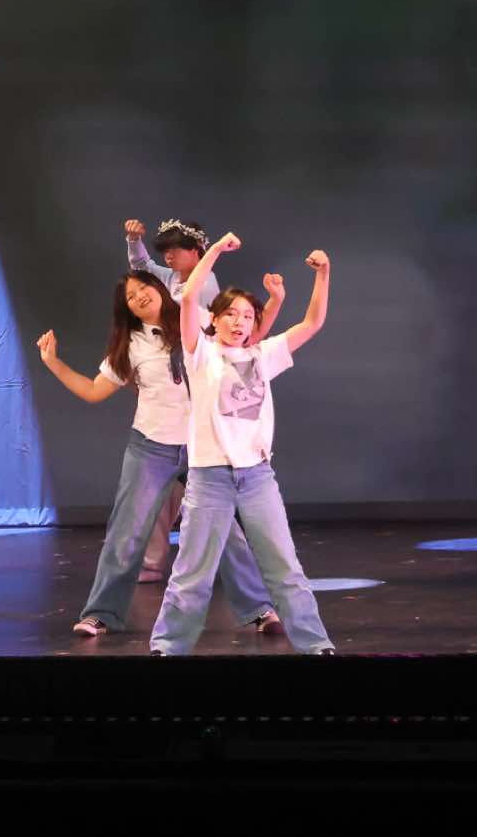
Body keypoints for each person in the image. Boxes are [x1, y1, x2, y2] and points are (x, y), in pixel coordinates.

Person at [35, 270, 284, 638]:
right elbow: (93, 391)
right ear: (127, 309)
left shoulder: (198, 319)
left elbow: (248, 336)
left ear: (158, 288)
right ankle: (101, 613)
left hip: (203, 447)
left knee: (226, 532)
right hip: (151, 447)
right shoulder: (130, 345)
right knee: (127, 533)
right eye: (131, 296)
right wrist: (53, 362)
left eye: (144, 287)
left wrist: (275, 300)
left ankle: (259, 608)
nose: (139, 296)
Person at [148, 233, 336, 657]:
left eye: (248, 316)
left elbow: (312, 323)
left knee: (285, 569)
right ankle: (168, 646)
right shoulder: (200, 354)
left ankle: (316, 644)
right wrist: (214, 250)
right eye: (230, 314)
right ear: (214, 320)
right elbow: (189, 296)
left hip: (257, 478)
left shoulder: (263, 356)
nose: (239, 322)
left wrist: (323, 274)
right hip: (209, 479)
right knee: (192, 574)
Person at [124, 217, 282, 580]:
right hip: (179, 387)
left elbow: (240, 333)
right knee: (173, 487)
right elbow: (142, 266)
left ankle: (240, 569)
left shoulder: (204, 284)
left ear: (196, 252)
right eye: (165, 251)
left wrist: (221, 251)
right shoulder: (168, 277)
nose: (168, 257)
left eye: (175, 251)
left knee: (212, 489)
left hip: (203, 382)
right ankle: (158, 561)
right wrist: (134, 241)